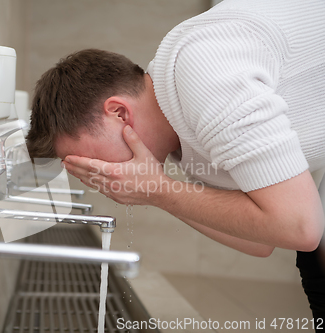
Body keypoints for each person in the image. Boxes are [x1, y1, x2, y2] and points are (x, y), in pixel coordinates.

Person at [25, 0, 325, 329]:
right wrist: (156, 191)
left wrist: (158, 190)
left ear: (119, 113)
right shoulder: (184, 139)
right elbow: (261, 240)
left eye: (92, 161)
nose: (96, 175)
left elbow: (300, 226)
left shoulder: (203, 75)